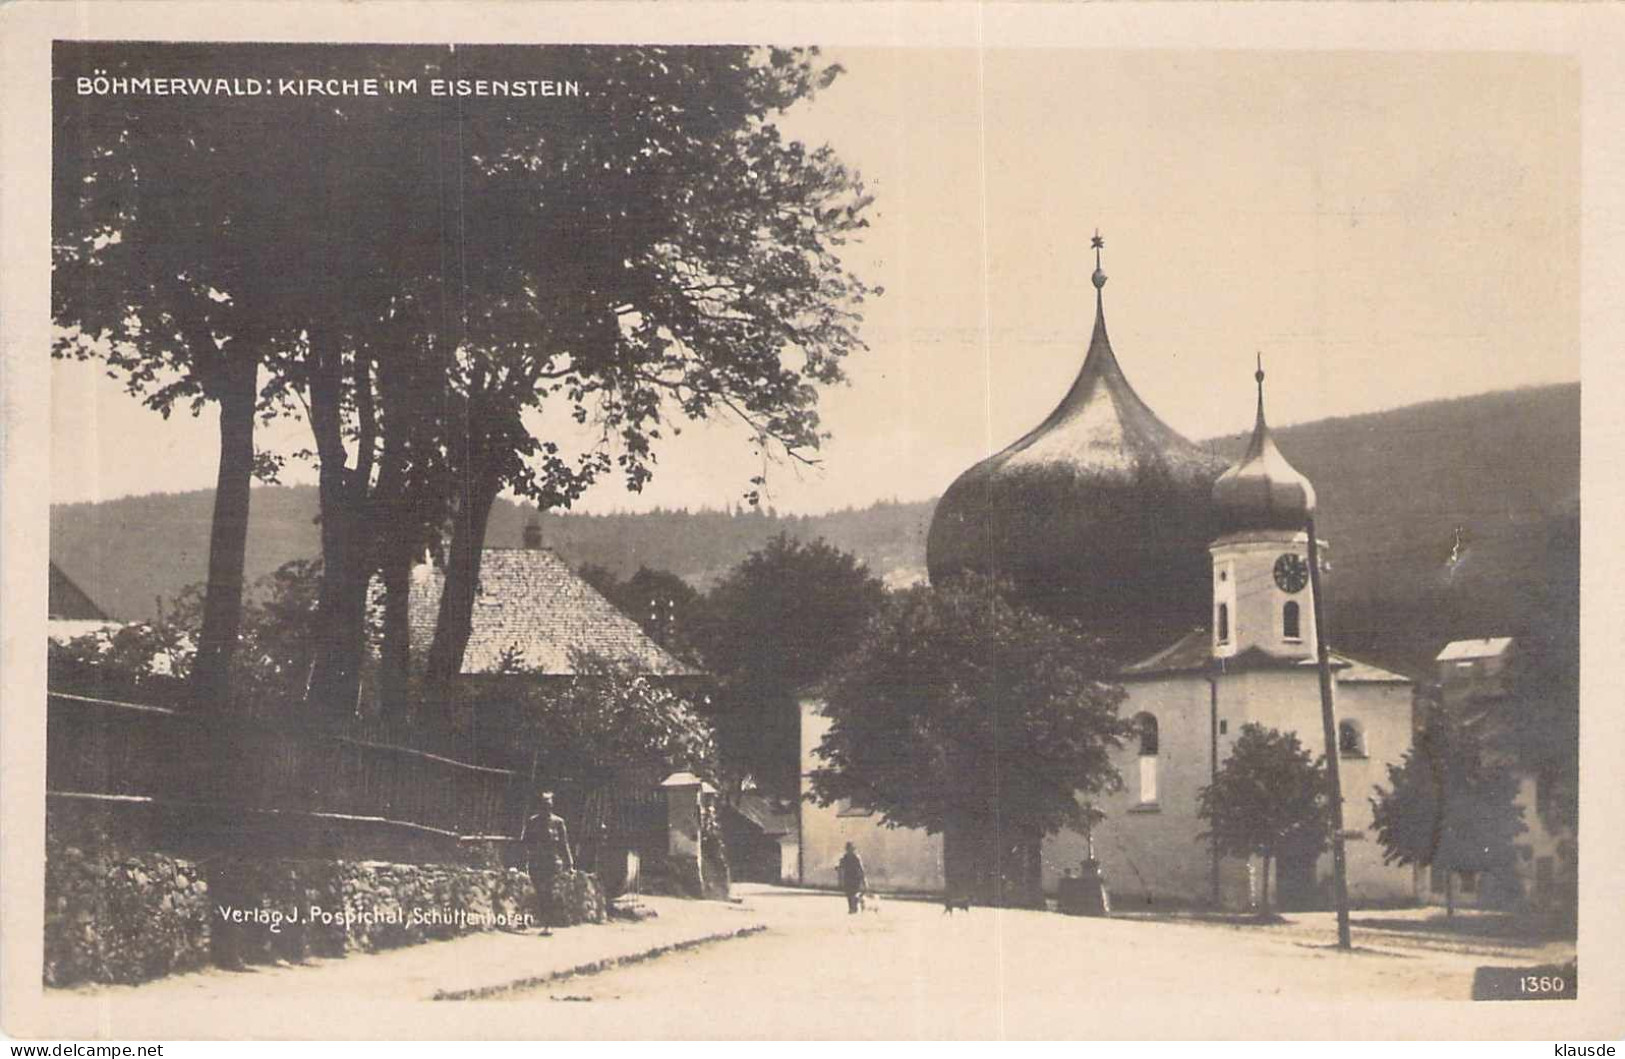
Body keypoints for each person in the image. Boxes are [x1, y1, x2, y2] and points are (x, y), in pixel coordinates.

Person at [521, 791, 574, 933]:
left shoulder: (558, 822)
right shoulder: (532, 822)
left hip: (552, 863)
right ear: (540, 806)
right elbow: (526, 842)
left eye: (549, 805)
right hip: (536, 862)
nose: (546, 808)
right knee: (539, 891)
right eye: (544, 806)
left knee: (548, 892)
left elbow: (564, 844)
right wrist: (524, 858)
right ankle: (534, 919)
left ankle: (547, 924)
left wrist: (569, 863)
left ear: (552, 806)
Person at [837, 842, 867, 914]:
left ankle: (855, 906)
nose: (850, 850)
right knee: (849, 894)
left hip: (856, 878)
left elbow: (861, 869)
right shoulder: (844, 858)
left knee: (854, 893)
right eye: (849, 849)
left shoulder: (856, 857)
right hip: (848, 878)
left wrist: (864, 880)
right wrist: (840, 880)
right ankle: (851, 908)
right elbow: (840, 869)